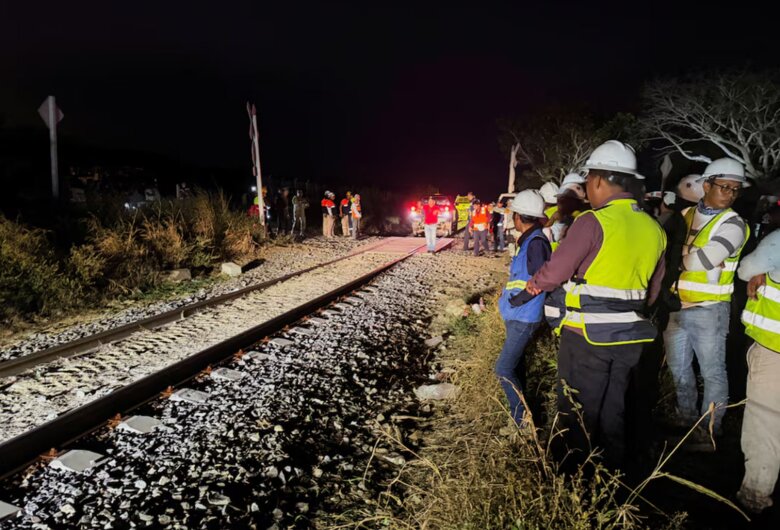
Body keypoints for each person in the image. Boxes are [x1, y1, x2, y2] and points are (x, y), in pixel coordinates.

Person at [526, 140, 666, 469]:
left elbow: (556, 271)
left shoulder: (593, 221)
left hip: (585, 335)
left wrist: (535, 284)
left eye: (589, 180)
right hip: (630, 338)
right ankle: (610, 472)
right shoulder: (654, 229)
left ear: (600, 180)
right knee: (613, 408)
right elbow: (653, 291)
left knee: (577, 409)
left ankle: (572, 476)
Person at [664, 158, 751, 438]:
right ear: (706, 185)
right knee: (678, 368)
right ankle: (685, 416)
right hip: (676, 306)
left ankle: (708, 430)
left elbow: (704, 260)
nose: (730, 193)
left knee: (712, 372)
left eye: (736, 189)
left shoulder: (734, 224)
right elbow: (684, 257)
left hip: (709, 310)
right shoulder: (686, 215)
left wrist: (679, 259)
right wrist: (688, 259)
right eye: (724, 186)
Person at [496, 190, 551, 426]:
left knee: (502, 368)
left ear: (519, 217)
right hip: (518, 315)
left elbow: (541, 279)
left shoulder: (535, 243)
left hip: (524, 316)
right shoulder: (530, 240)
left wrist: (515, 300)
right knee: (515, 366)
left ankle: (522, 420)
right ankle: (523, 415)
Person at [736, 225, 780, 513]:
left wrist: (762, 271)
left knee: (765, 420)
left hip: (774, 350)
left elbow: (745, 269)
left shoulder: (777, 242)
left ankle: (755, 492)